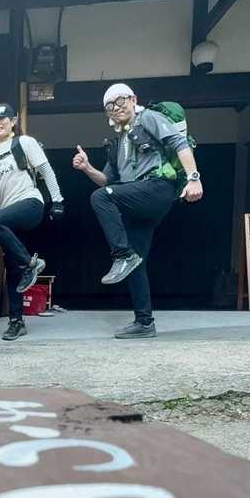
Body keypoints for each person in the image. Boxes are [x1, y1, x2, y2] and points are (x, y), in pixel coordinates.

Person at [73, 82, 203, 338]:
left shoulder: (148, 118)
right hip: (138, 199)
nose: (115, 108)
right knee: (136, 262)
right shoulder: (117, 142)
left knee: (101, 199)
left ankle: (122, 255)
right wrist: (87, 168)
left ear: (133, 100)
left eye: (120, 101)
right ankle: (144, 323)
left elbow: (179, 143)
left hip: (157, 187)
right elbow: (107, 182)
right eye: (109, 106)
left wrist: (194, 178)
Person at [0, 103, 63, 342]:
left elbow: (46, 171)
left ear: (13, 121)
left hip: (30, 203)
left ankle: (32, 263)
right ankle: (16, 321)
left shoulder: (24, 142)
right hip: (8, 213)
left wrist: (58, 200)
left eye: (2, 119)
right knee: (12, 269)